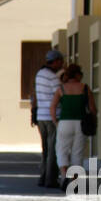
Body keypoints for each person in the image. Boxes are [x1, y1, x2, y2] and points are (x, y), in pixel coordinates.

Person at [50, 62, 96, 188]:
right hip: (80, 123)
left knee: (61, 150)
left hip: (65, 122)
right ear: (77, 75)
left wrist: (56, 122)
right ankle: (74, 181)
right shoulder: (85, 88)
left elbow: (53, 107)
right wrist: (93, 119)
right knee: (77, 152)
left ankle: (64, 175)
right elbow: (92, 108)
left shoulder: (62, 89)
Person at [32, 48, 63, 188]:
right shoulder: (52, 77)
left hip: (41, 116)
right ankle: (51, 179)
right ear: (55, 62)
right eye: (60, 61)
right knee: (53, 149)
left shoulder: (39, 74)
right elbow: (59, 95)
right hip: (52, 117)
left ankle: (43, 177)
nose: (62, 64)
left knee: (45, 149)